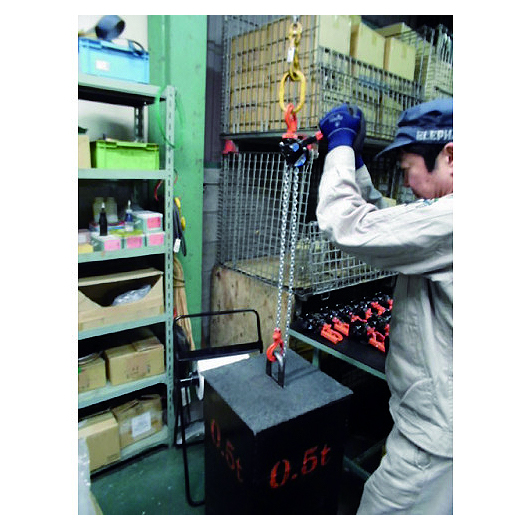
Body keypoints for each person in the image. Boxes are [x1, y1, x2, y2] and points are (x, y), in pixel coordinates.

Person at [316, 99, 453, 515]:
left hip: (433, 441)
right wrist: (357, 167)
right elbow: (393, 223)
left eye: (409, 167)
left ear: (450, 156)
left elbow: (347, 224)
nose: (406, 182)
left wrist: (340, 147)